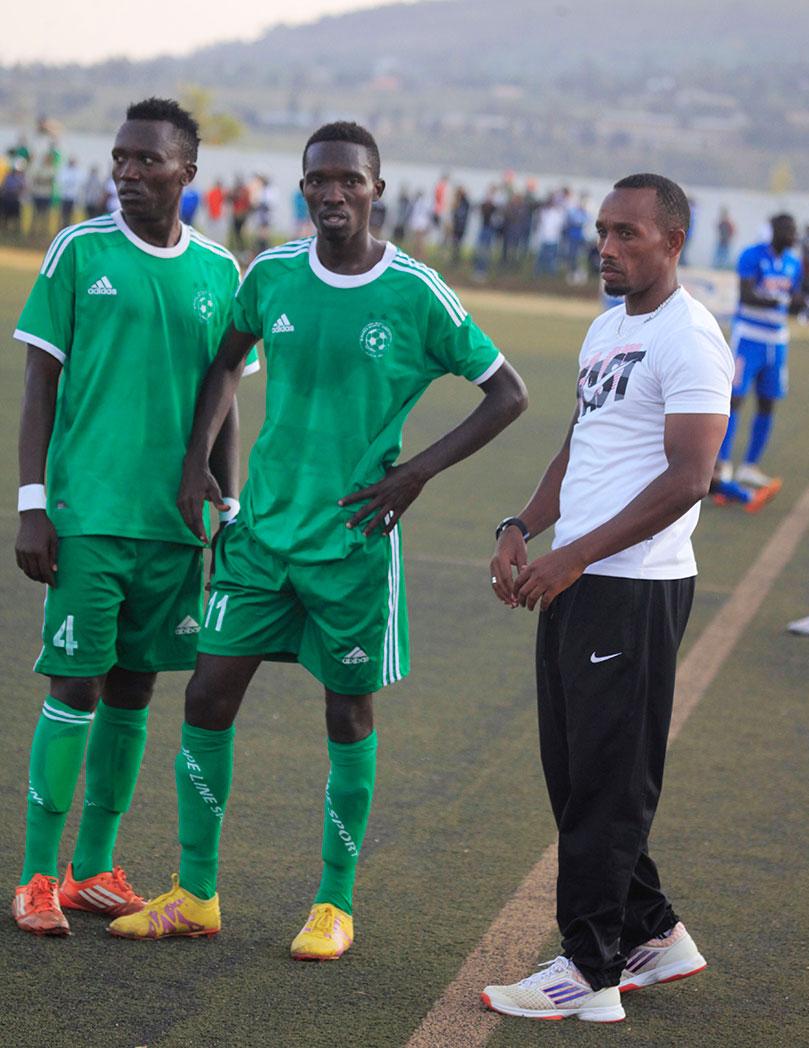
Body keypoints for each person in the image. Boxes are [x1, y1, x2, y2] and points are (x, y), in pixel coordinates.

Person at [107, 121, 528, 957]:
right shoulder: (271, 274)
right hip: (261, 534)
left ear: (377, 189)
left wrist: (415, 474)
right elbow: (226, 362)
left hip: (352, 546)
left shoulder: (415, 292)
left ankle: (333, 906)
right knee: (204, 696)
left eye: (348, 181)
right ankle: (196, 893)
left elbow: (506, 393)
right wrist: (199, 464)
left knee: (346, 711)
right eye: (317, 182)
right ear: (303, 190)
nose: (331, 195)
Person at [481, 173, 733, 1023]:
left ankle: (590, 973)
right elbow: (580, 442)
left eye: (628, 234)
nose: (608, 247)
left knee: (605, 785)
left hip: (631, 589)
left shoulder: (690, 337)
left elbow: (690, 478)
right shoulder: (605, 327)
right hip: (581, 582)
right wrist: (523, 525)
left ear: (672, 242)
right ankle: (654, 932)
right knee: (578, 775)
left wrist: (575, 557)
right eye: (602, 231)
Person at [11, 97, 258, 937]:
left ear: (188, 173)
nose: (127, 173)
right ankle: (37, 876)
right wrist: (33, 505)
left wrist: (229, 508)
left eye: (147, 161)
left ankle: (93, 869)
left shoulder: (223, 273)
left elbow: (222, 405)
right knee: (74, 684)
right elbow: (40, 383)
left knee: (135, 688)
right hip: (87, 514)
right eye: (120, 158)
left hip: (175, 527)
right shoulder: (80, 250)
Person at [716, 214, 804, 490]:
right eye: (786, 229)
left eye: (793, 229)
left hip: (776, 342)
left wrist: (803, 304)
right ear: (773, 230)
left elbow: (796, 298)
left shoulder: (793, 262)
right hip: (749, 339)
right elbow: (747, 295)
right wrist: (783, 299)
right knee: (734, 400)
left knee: (768, 401)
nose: (792, 234)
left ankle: (750, 466)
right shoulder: (752, 255)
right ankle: (722, 464)